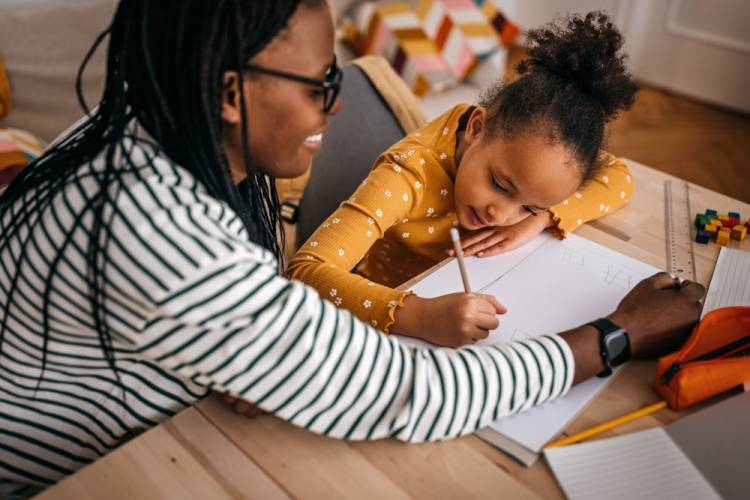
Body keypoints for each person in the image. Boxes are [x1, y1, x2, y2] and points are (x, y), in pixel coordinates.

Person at [0, 1, 703, 496]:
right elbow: (414, 393)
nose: (335, 109)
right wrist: (616, 334)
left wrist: (240, 357)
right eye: (321, 85)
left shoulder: (132, 128)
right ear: (229, 94)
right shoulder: (172, 244)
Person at [287, 13, 638, 347]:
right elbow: (305, 271)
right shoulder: (409, 174)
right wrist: (419, 314)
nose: (502, 216)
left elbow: (620, 177)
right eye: (501, 186)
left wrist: (543, 218)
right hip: (389, 316)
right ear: (476, 128)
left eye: (528, 207)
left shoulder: (531, 152)